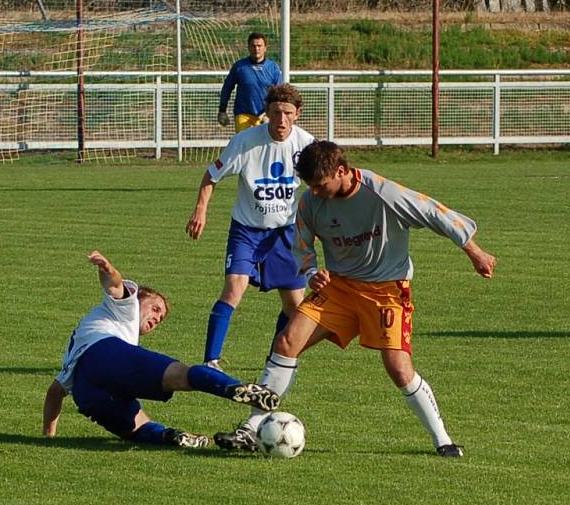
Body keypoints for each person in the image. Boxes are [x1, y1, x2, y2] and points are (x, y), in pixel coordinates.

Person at [214, 141, 498, 457]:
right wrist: (311, 274)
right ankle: (251, 429)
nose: (316, 192)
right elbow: (301, 246)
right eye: (311, 186)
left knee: (398, 369)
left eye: (321, 185)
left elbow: (435, 212)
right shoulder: (310, 202)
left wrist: (475, 252)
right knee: (286, 342)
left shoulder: (382, 194)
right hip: (339, 289)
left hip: (387, 291)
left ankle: (443, 440)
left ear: (341, 171)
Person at [42, 250, 279, 448]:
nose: (157, 318)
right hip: (106, 355)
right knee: (181, 376)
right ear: (138, 299)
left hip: (85, 391)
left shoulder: (83, 337)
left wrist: (47, 438)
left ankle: (172, 437)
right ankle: (234, 387)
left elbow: (55, 392)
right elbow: (115, 286)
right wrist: (109, 270)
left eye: (161, 318)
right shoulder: (125, 308)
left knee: (137, 428)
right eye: (155, 308)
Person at [186, 84, 315, 370]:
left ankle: (275, 360)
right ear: (267, 113)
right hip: (247, 230)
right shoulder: (245, 141)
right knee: (234, 288)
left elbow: (319, 187)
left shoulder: (306, 145)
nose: (281, 120)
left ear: (298, 115)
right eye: (276, 112)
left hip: (286, 233)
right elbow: (211, 176)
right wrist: (201, 210)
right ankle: (211, 361)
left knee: (295, 305)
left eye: (288, 113)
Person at [218, 32, 283, 133]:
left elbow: (279, 94)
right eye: (253, 46)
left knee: (264, 146)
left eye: (259, 46)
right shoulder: (239, 67)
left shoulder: (273, 68)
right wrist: (222, 110)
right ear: (248, 47)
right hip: (243, 115)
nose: (256, 49)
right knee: (245, 145)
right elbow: (227, 88)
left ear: (265, 48)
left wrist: (271, 113)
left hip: (265, 116)